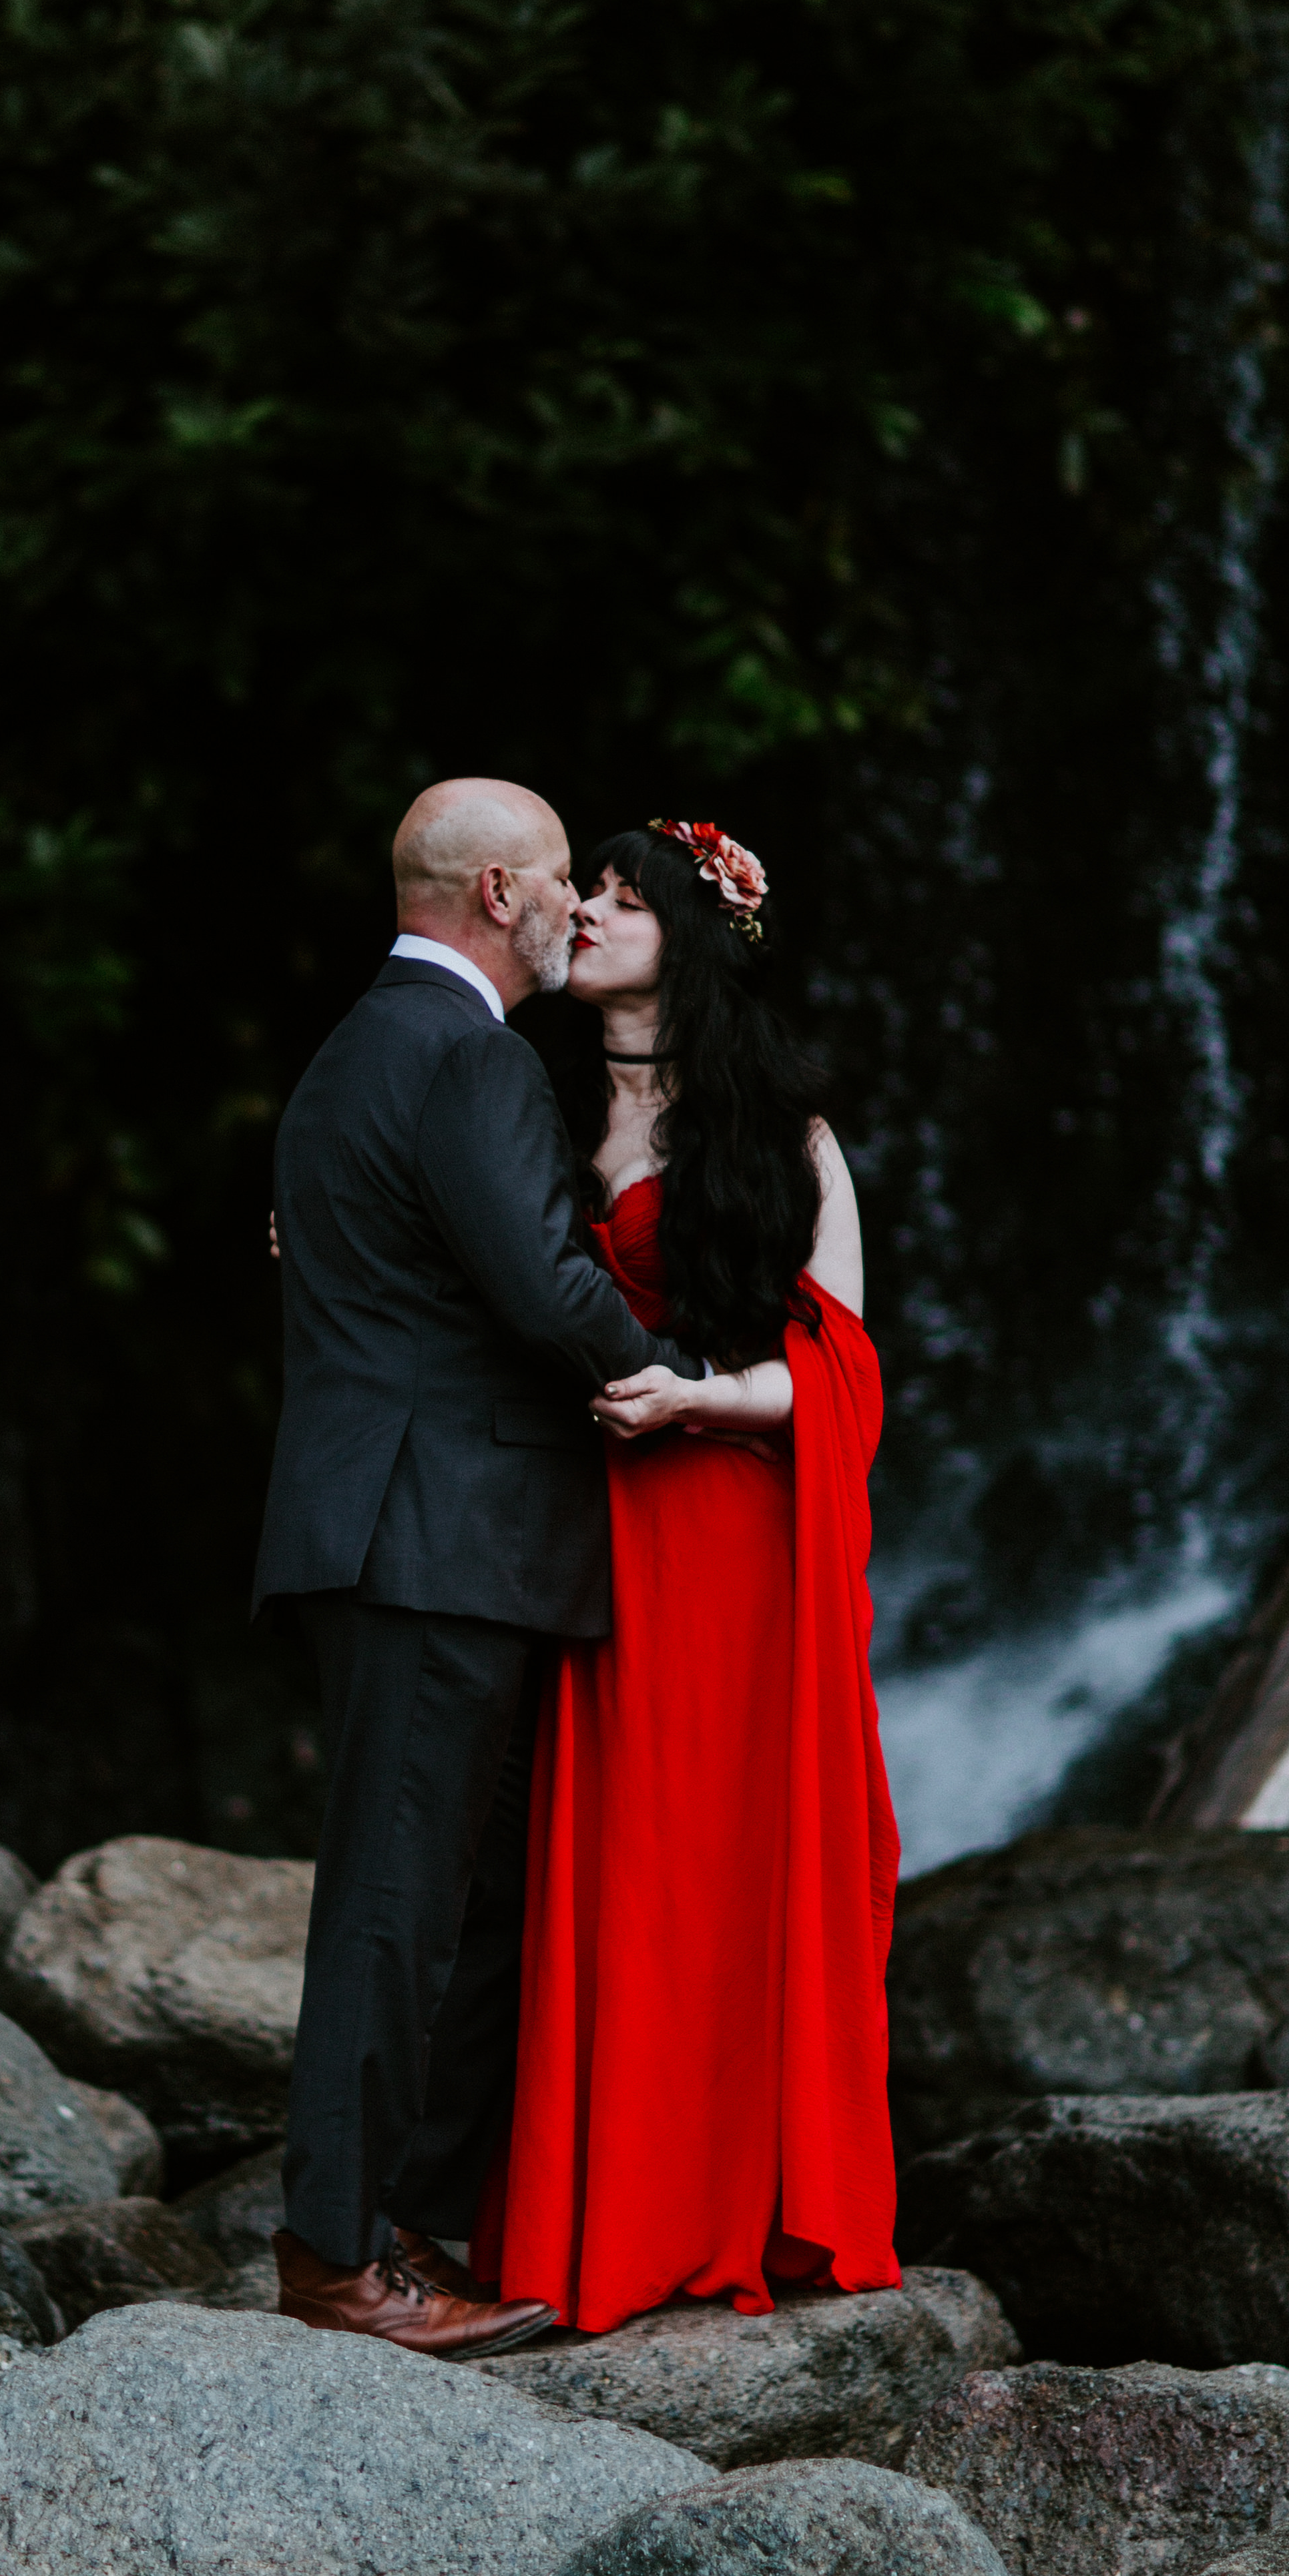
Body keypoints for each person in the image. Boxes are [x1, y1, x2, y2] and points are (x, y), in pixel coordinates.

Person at [254, 775, 707, 2356]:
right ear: (501, 896)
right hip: (436, 1538)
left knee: (470, 1900)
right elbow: (544, 1288)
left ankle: (410, 2218)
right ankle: (337, 2259)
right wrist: (685, 1373)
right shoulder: (471, 1060)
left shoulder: (351, 1056)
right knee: (398, 1900)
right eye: (565, 880)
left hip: (403, 1530)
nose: (582, 905)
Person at [472, 816, 903, 2331]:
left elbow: (842, 1368)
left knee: (724, 1859)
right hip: (593, 1529)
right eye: (584, 888)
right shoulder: (535, 1096)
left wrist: (702, 1400)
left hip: (723, 1530)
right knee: (620, 1870)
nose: (586, 911)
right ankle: (615, 2212)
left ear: (692, 935)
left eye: (620, 896)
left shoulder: (784, 1134)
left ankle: (733, 2205)